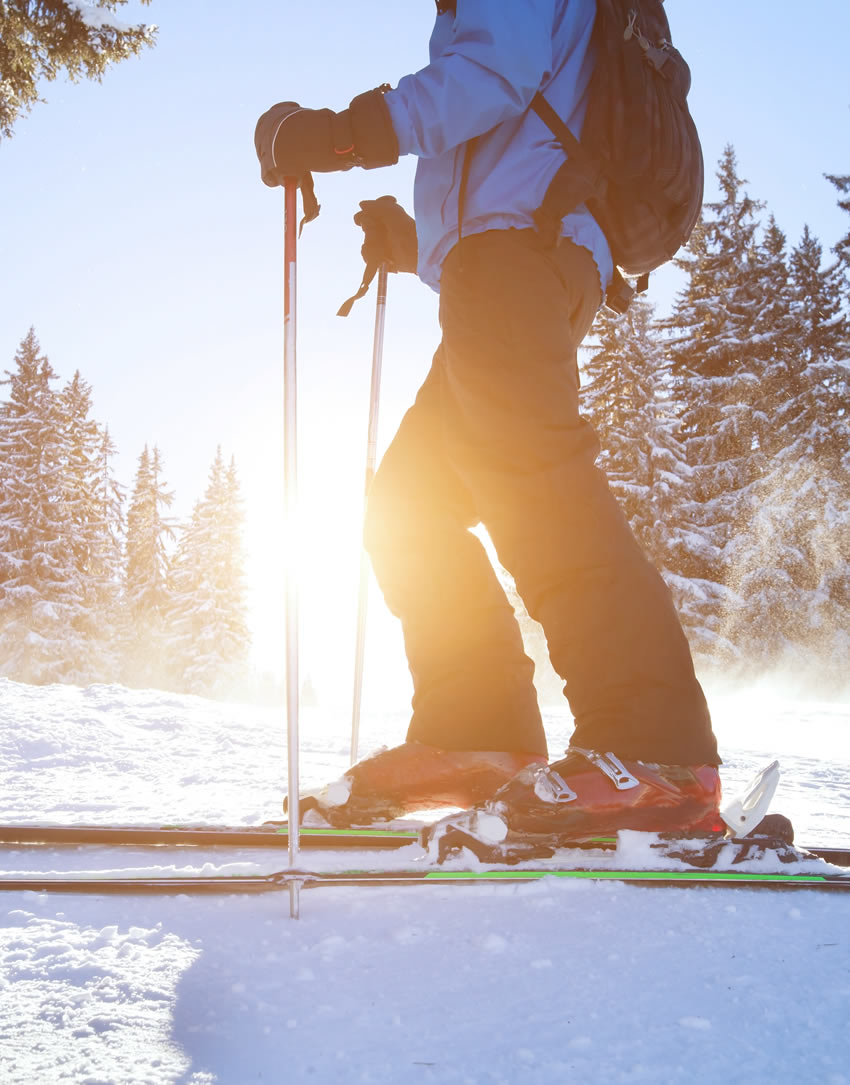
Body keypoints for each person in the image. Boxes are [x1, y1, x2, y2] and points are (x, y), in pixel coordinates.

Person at [254, 0, 722, 846]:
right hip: (512, 259)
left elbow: (488, 78)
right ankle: (479, 731)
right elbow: (519, 139)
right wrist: (418, 241)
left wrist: (346, 134)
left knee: (531, 479)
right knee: (409, 502)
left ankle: (655, 748)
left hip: (520, 256)